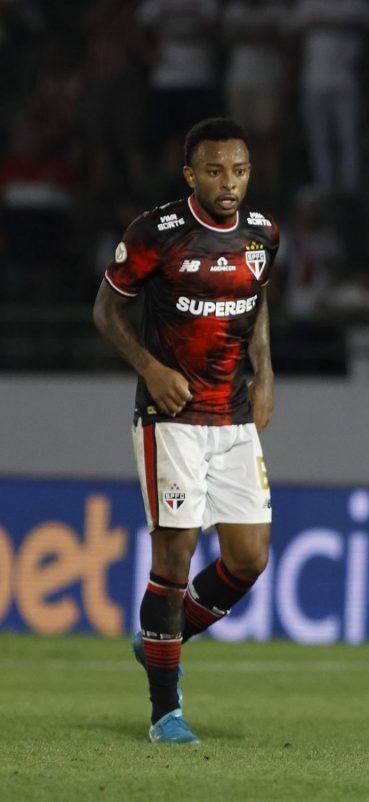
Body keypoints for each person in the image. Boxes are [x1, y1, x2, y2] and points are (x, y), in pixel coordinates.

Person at [92, 118, 279, 745]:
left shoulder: (263, 236)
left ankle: (160, 641)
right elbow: (105, 307)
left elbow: (256, 305)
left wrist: (268, 373)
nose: (230, 183)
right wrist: (150, 367)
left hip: (233, 415)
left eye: (241, 170)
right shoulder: (156, 234)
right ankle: (165, 712)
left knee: (249, 557)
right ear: (191, 175)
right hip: (171, 420)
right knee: (173, 559)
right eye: (216, 171)